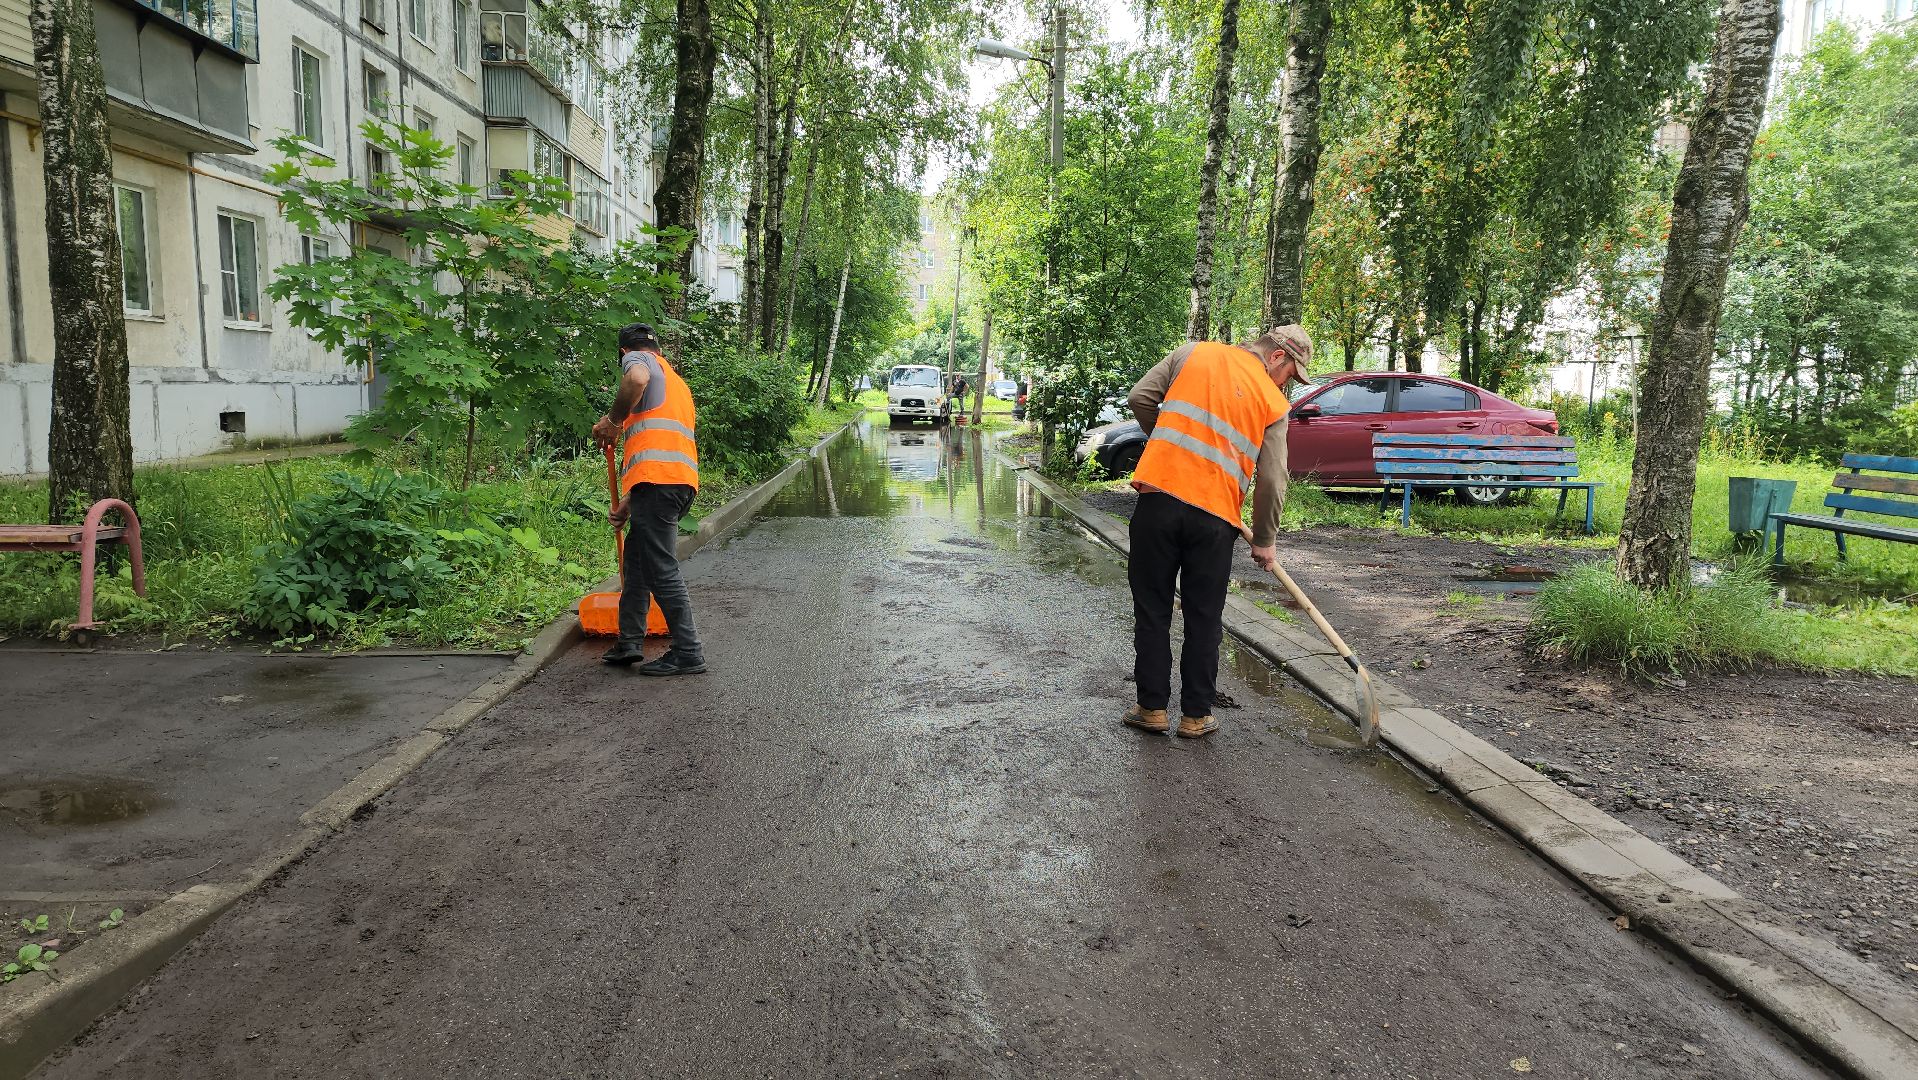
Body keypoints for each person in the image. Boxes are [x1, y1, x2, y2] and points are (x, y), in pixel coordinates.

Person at [1120, 325, 1314, 739]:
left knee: (1152, 610)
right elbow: (1273, 478)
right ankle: (1195, 715)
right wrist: (1265, 540)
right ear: (1277, 357)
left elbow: (1140, 398)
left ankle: (1151, 708)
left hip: (1158, 501)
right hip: (1214, 518)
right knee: (1204, 616)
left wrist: (1168, 444)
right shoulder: (1272, 402)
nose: (1287, 385)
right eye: (1290, 375)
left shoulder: (1192, 352)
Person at [591, 323, 707, 675]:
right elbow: (663, 444)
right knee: (638, 563)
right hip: (673, 484)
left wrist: (613, 421)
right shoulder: (676, 382)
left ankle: (688, 652)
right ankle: (629, 641)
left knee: (660, 567)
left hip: (659, 485)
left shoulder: (638, 361)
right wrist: (631, 500)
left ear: (624, 352)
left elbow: (636, 379)